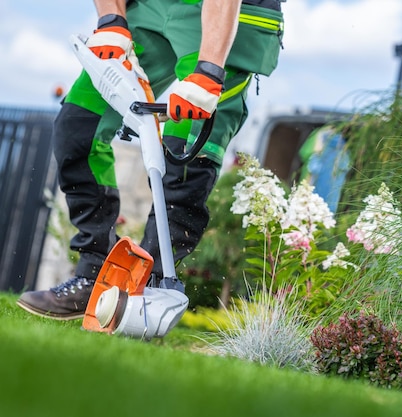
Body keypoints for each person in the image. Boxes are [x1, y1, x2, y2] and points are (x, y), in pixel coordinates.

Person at [16, 0, 284, 319]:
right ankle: (94, 274)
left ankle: (147, 294)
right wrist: (111, 20)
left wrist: (209, 71)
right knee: (79, 125)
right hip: (151, 7)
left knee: (185, 152)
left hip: (225, 16)